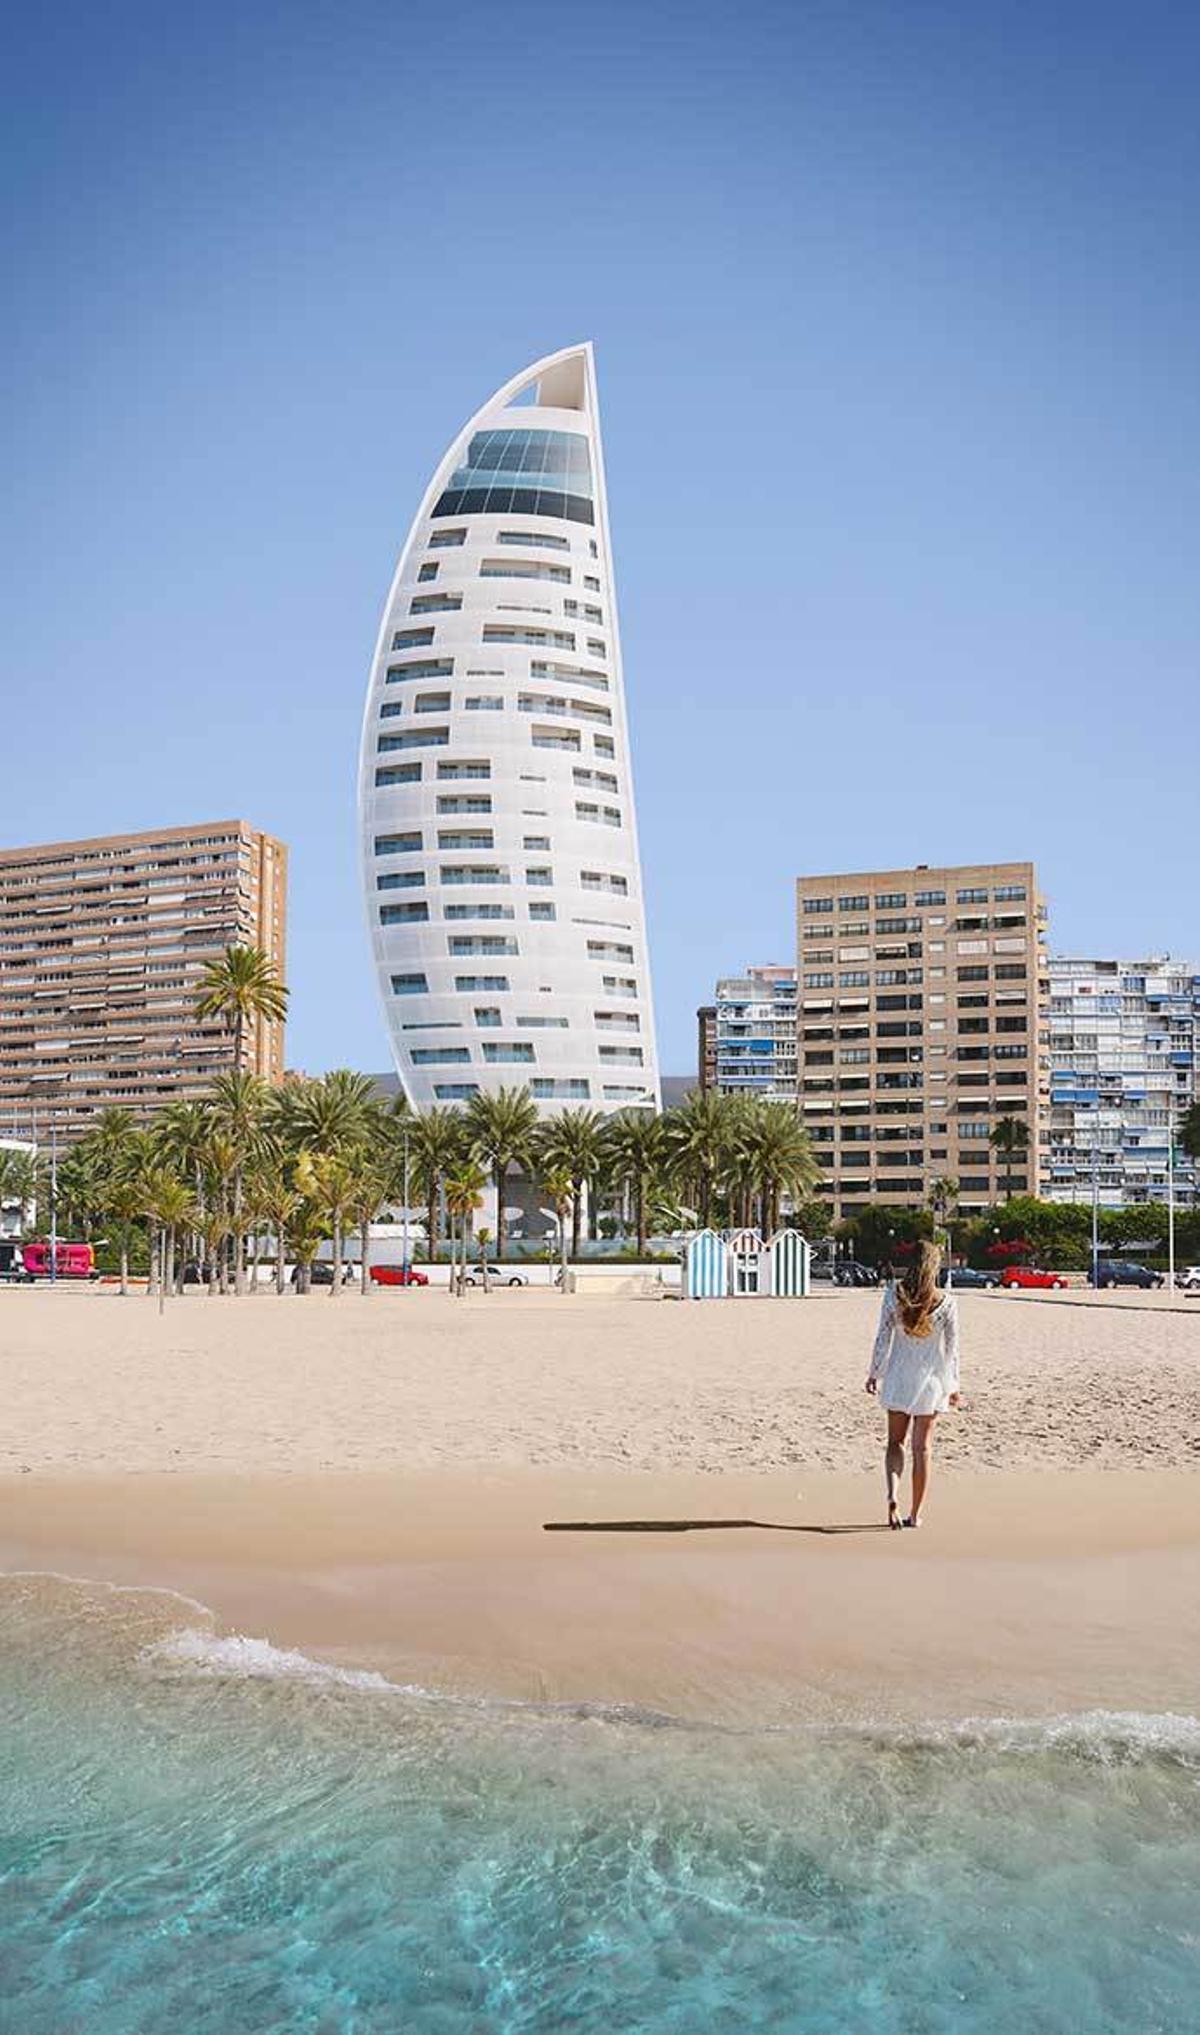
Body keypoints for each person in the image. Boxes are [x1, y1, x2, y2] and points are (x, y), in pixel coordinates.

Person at [865, 1240, 959, 1529]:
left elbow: (883, 1337)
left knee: (895, 1443)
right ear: (934, 1267)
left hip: (898, 1378)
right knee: (922, 1449)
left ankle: (893, 1496)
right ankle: (915, 1514)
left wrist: (874, 1373)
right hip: (930, 1383)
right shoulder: (947, 1302)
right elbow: (951, 1349)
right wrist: (953, 1385)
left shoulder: (894, 1295)